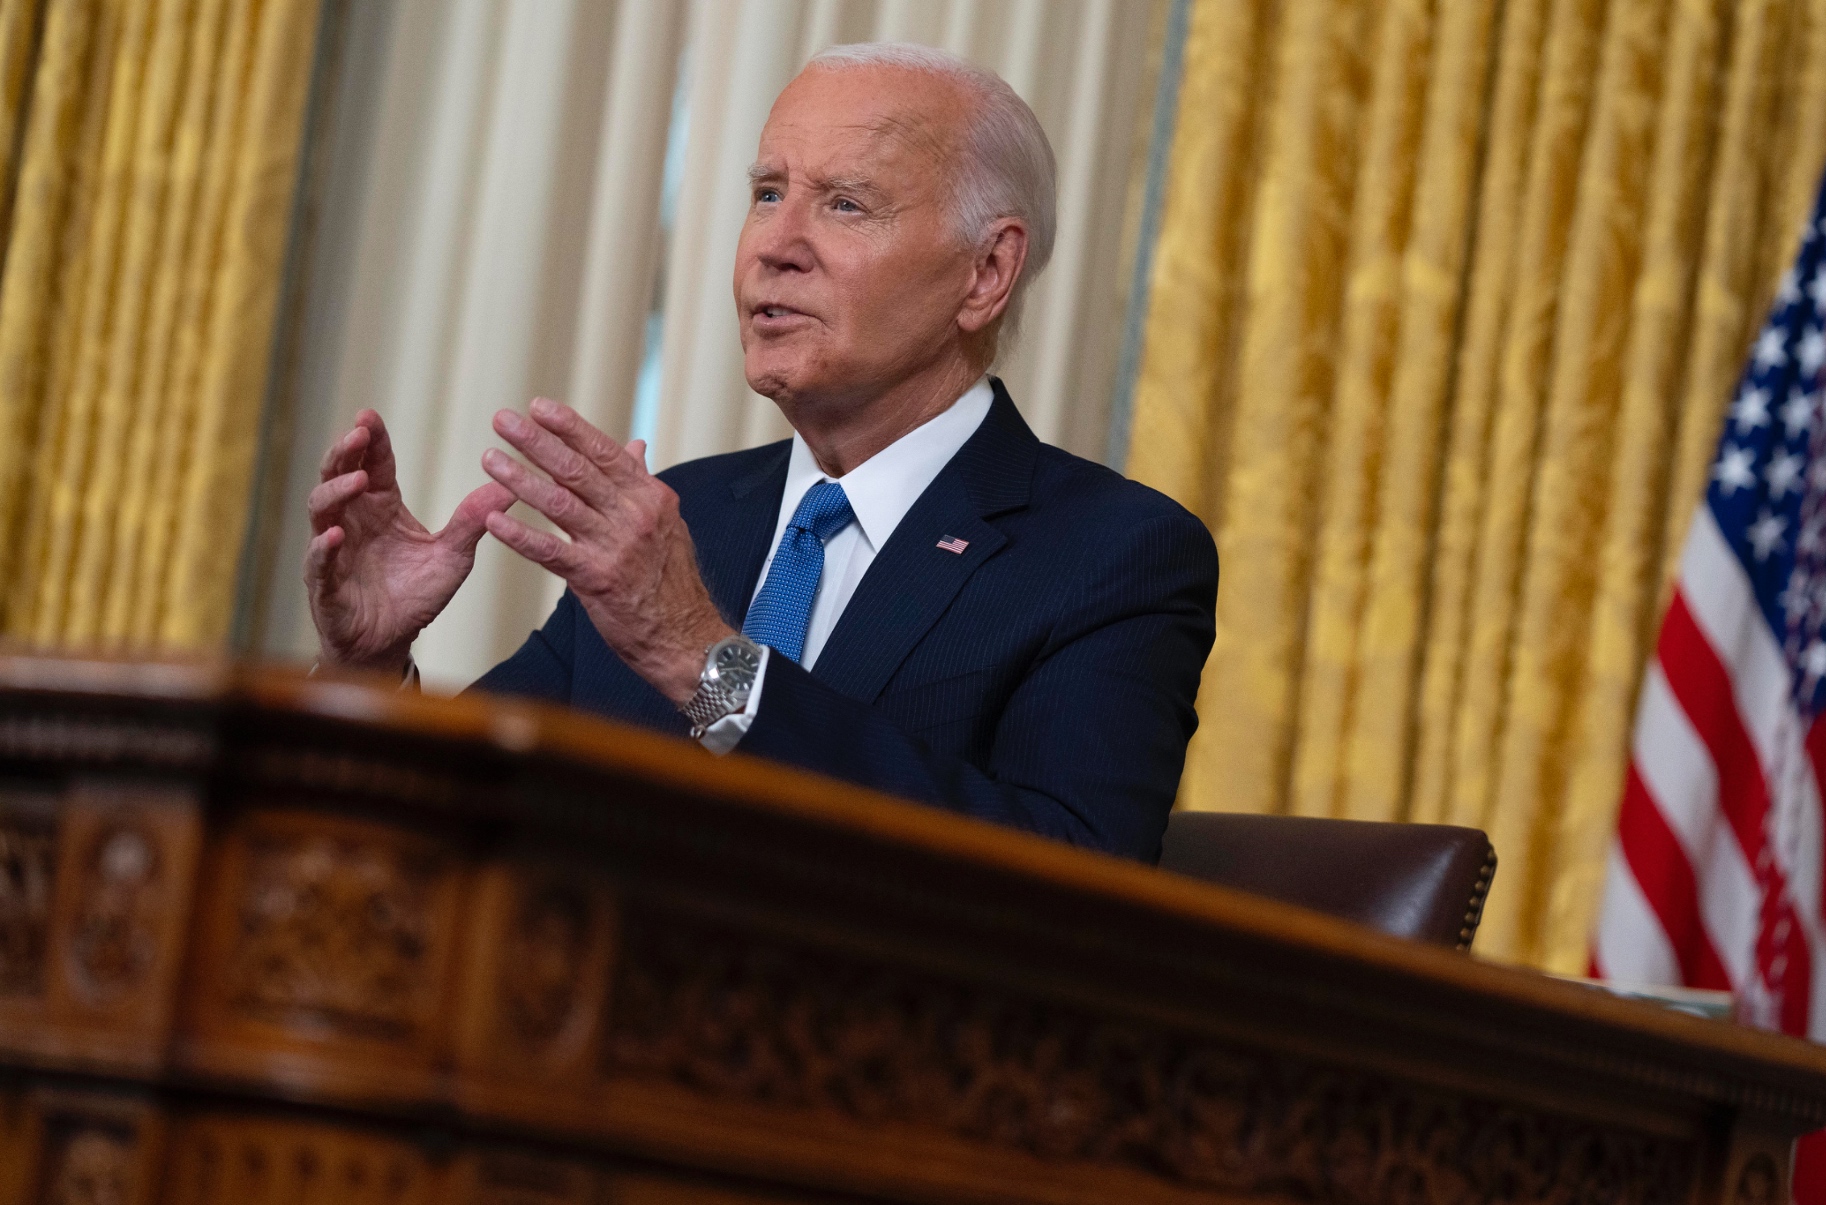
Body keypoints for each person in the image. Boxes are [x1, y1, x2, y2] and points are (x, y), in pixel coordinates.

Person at [300, 44, 1216, 862]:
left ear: (986, 273)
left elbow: (1070, 883)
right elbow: (451, 818)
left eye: (846, 204)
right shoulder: (678, 518)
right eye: (768, 193)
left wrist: (707, 664)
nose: (775, 247)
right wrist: (369, 670)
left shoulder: (1111, 555)